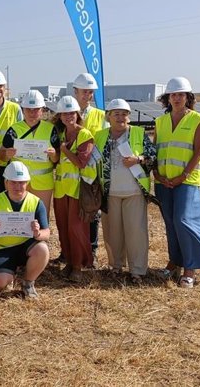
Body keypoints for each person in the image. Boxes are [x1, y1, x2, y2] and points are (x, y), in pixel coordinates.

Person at [153, 77, 200, 289]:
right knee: (170, 221)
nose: (177, 98)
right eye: (173, 94)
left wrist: (183, 176)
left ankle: (190, 268)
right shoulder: (160, 121)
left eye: (181, 94)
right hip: (164, 180)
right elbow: (155, 150)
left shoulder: (198, 120)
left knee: (184, 220)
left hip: (187, 181)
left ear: (188, 97)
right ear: (167, 98)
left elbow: (199, 152)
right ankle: (174, 262)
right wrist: (158, 175)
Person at [95, 99, 156, 283]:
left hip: (134, 192)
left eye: (124, 114)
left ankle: (137, 270)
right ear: (108, 116)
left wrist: (138, 159)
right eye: (116, 114)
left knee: (136, 233)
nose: (120, 117)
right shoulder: (100, 135)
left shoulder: (138, 133)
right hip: (110, 192)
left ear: (129, 116)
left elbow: (153, 156)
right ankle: (115, 267)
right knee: (112, 233)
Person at [0, 161, 50, 300]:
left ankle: (28, 283)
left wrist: (38, 234)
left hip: (26, 246)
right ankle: (9, 274)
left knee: (42, 249)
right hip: (2, 248)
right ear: (6, 183)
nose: (17, 186)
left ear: (27, 183)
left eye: (21, 182)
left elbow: (46, 233)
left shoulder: (36, 202)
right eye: (13, 182)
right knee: (0, 282)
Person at [52, 96, 96, 282]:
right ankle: (69, 262)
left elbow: (80, 162)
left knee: (76, 229)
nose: (69, 116)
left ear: (77, 114)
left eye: (72, 113)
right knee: (63, 228)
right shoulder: (60, 134)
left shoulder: (85, 134)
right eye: (65, 113)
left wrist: (64, 150)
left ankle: (78, 266)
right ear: (60, 116)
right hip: (61, 189)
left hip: (78, 190)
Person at [0, 89, 59, 217]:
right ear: (23, 109)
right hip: (18, 182)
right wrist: (6, 154)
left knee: (41, 218)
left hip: (43, 183)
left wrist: (54, 155)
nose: (32, 113)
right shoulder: (14, 130)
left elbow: (56, 159)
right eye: (28, 109)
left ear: (42, 110)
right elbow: (1, 156)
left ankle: (40, 238)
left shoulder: (50, 129)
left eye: (36, 109)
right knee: (18, 218)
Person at [71, 72, 108, 266]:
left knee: (92, 213)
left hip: (92, 174)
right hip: (70, 174)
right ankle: (68, 251)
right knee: (71, 215)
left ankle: (91, 251)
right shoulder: (67, 113)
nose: (88, 95)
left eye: (91, 92)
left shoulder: (101, 116)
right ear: (75, 91)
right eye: (84, 91)